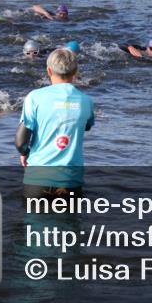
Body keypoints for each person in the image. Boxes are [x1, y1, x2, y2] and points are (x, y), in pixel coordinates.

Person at [15, 48, 95, 197]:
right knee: (69, 220)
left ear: (49, 71)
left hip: (37, 180)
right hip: (71, 180)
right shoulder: (86, 101)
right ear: (75, 72)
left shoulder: (34, 98)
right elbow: (86, 126)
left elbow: (20, 142)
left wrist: (25, 152)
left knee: (34, 219)